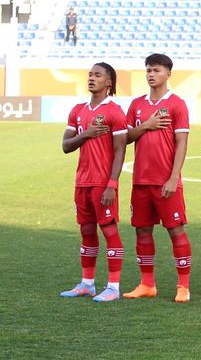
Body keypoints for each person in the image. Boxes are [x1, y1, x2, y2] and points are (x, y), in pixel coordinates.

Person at [122, 53, 193, 302]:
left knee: (176, 230)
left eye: (156, 70)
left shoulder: (177, 104)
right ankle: (147, 284)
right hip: (141, 180)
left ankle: (183, 286)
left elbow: (182, 142)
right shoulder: (136, 105)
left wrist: (174, 177)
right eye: (148, 70)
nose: (151, 74)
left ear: (168, 74)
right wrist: (146, 125)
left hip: (166, 180)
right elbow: (126, 137)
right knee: (142, 231)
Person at [59, 63, 127, 302]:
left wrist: (112, 184)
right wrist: (85, 133)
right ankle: (87, 283)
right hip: (82, 182)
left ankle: (113, 287)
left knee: (109, 230)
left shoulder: (115, 112)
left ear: (108, 82)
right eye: (89, 74)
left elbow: (120, 151)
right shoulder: (77, 110)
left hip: (102, 183)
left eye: (97, 75)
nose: (91, 78)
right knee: (86, 230)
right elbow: (66, 146)